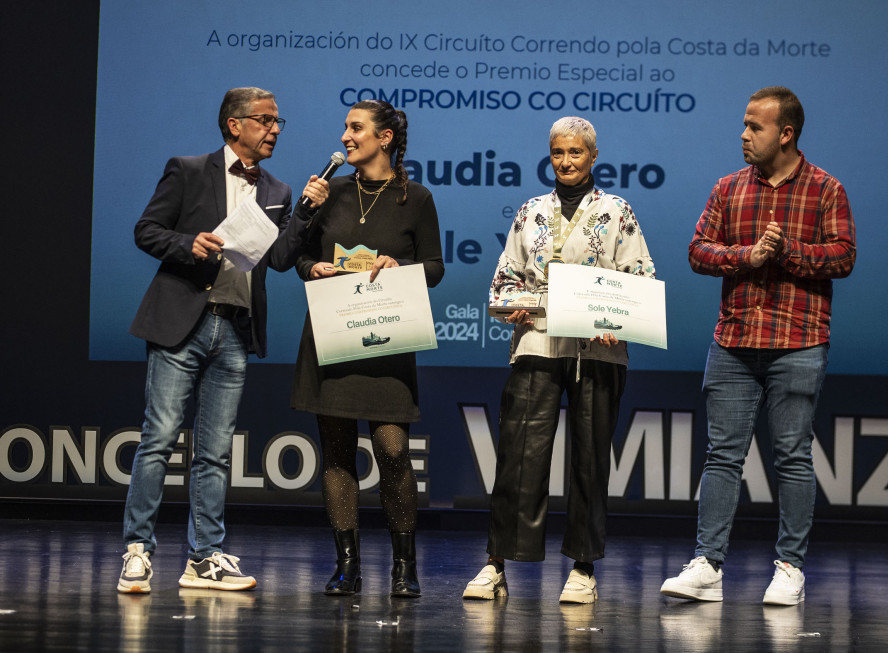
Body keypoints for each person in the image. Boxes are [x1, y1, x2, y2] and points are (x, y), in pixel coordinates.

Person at [118, 87, 329, 593]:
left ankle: (204, 558)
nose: (275, 129)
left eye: (279, 121)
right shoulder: (188, 170)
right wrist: (187, 244)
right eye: (266, 120)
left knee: (214, 452)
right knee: (159, 439)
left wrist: (303, 211)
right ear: (235, 125)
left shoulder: (276, 188)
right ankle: (137, 552)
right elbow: (146, 230)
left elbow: (278, 260)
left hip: (234, 328)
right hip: (181, 322)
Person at [660, 86, 856, 605]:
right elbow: (698, 250)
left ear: (786, 133)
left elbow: (843, 256)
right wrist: (745, 256)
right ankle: (708, 564)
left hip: (799, 340)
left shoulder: (825, 189)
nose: (744, 135)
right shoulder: (729, 188)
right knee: (722, 455)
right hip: (735, 340)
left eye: (755, 127)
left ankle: (790, 568)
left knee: (792, 455)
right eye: (745, 125)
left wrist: (788, 252)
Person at [463, 116, 656, 604]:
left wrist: (619, 320)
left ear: (593, 156)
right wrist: (518, 303)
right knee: (519, 459)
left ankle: (584, 569)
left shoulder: (617, 211)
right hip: (537, 344)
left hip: (599, 350)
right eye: (558, 153)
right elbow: (502, 284)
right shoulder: (529, 212)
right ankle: (496, 564)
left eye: (576, 153)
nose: (566, 162)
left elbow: (641, 280)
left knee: (590, 460)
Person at [291, 99, 444, 598]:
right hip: (331, 336)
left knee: (392, 450)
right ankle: (347, 566)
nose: (344, 137)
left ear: (385, 138)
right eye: (344, 128)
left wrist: (404, 269)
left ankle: (404, 565)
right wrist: (311, 268)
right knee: (336, 455)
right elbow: (301, 256)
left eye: (355, 128)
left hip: (386, 339)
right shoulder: (329, 194)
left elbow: (436, 268)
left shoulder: (415, 198)